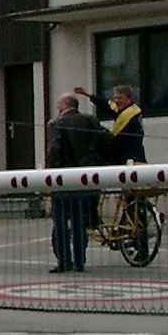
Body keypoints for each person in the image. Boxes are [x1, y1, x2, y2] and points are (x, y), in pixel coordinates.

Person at [46, 90, 102, 271]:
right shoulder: (90, 121)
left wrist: (50, 175)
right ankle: (80, 261)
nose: (57, 107)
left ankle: (64, 261)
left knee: (61, 220)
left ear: (65, 105)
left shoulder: (56, 124)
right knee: (80, 220)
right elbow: (106, 140)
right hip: (86, 178)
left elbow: (54, 150)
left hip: (63, 179)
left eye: (59, 104)